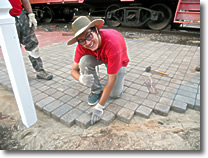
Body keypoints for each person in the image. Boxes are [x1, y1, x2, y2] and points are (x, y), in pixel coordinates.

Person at [68, 16, 130, 125]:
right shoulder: (82, 45)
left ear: (96, 30)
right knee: (84, 62)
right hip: (100, 56)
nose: (87, 42)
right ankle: (95, 90)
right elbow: (73, 70)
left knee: (115, 94)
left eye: (89, 36)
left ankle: (120, 74)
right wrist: (81, 78)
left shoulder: (112, 44)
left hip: (118, 58)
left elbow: (111, 79)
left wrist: (99, 107)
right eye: (82, 40)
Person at [8, 0, 53, 80]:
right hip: (6, 19)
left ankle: (40, 71)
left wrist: (31, 14)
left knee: (32, 44)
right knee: (12, 47)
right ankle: (17, 74)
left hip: (21, 16)